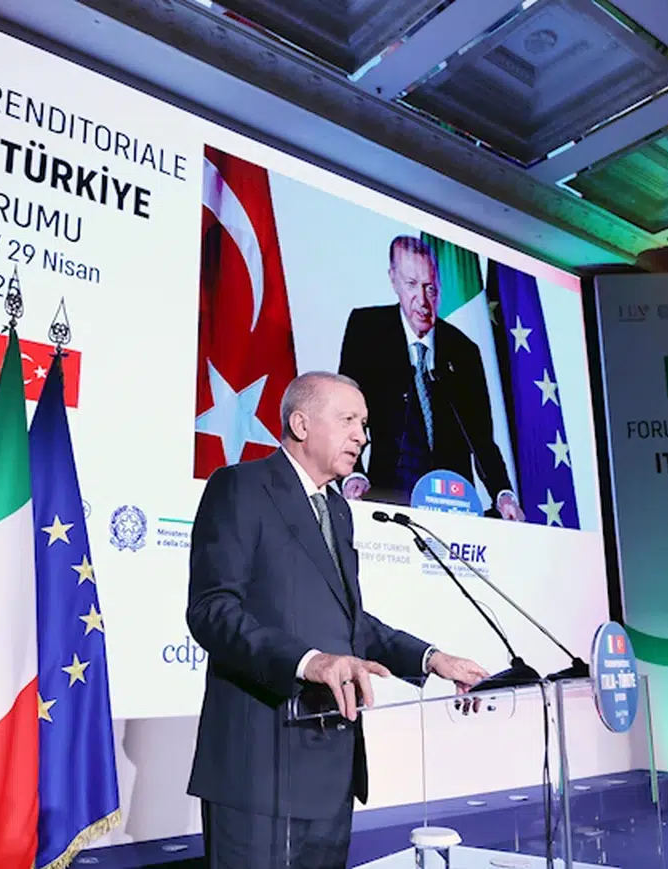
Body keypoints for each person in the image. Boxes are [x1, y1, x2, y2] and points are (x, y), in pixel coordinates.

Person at [185, 371, 492, 869]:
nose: (362, 436)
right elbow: (212, 610)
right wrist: (308, 661)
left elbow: (351, 624)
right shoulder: (240, 487)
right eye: (348, 420)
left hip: (331, 766)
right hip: (260, 767)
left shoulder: (338, 510)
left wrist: (432, 659)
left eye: (364, 424)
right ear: (300, 424)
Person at [337, 235, 524, 519]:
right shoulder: (367, 330)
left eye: (430, 288)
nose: (423, 301)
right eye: (412, 284)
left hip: (453, 506)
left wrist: (503, 494)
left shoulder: (464, 351)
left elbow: (481, 438)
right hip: (387, 501)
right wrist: (353, 475)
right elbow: (345, 416)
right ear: (393, 280)